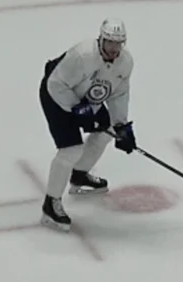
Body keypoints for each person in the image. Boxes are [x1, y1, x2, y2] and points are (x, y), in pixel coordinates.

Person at [38, 19, 138, 231]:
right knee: (71, 150)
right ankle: (51, 204)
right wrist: (76, 109)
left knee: (107, 132)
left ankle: (79, 174)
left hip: (86, 100)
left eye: (118, 43)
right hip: (56, 96)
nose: (114, 48)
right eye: (110, 42)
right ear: (101, 39)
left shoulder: (125, 63)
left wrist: (121, 126)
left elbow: (119, 94)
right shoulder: (82, 55)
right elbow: (56, 84)